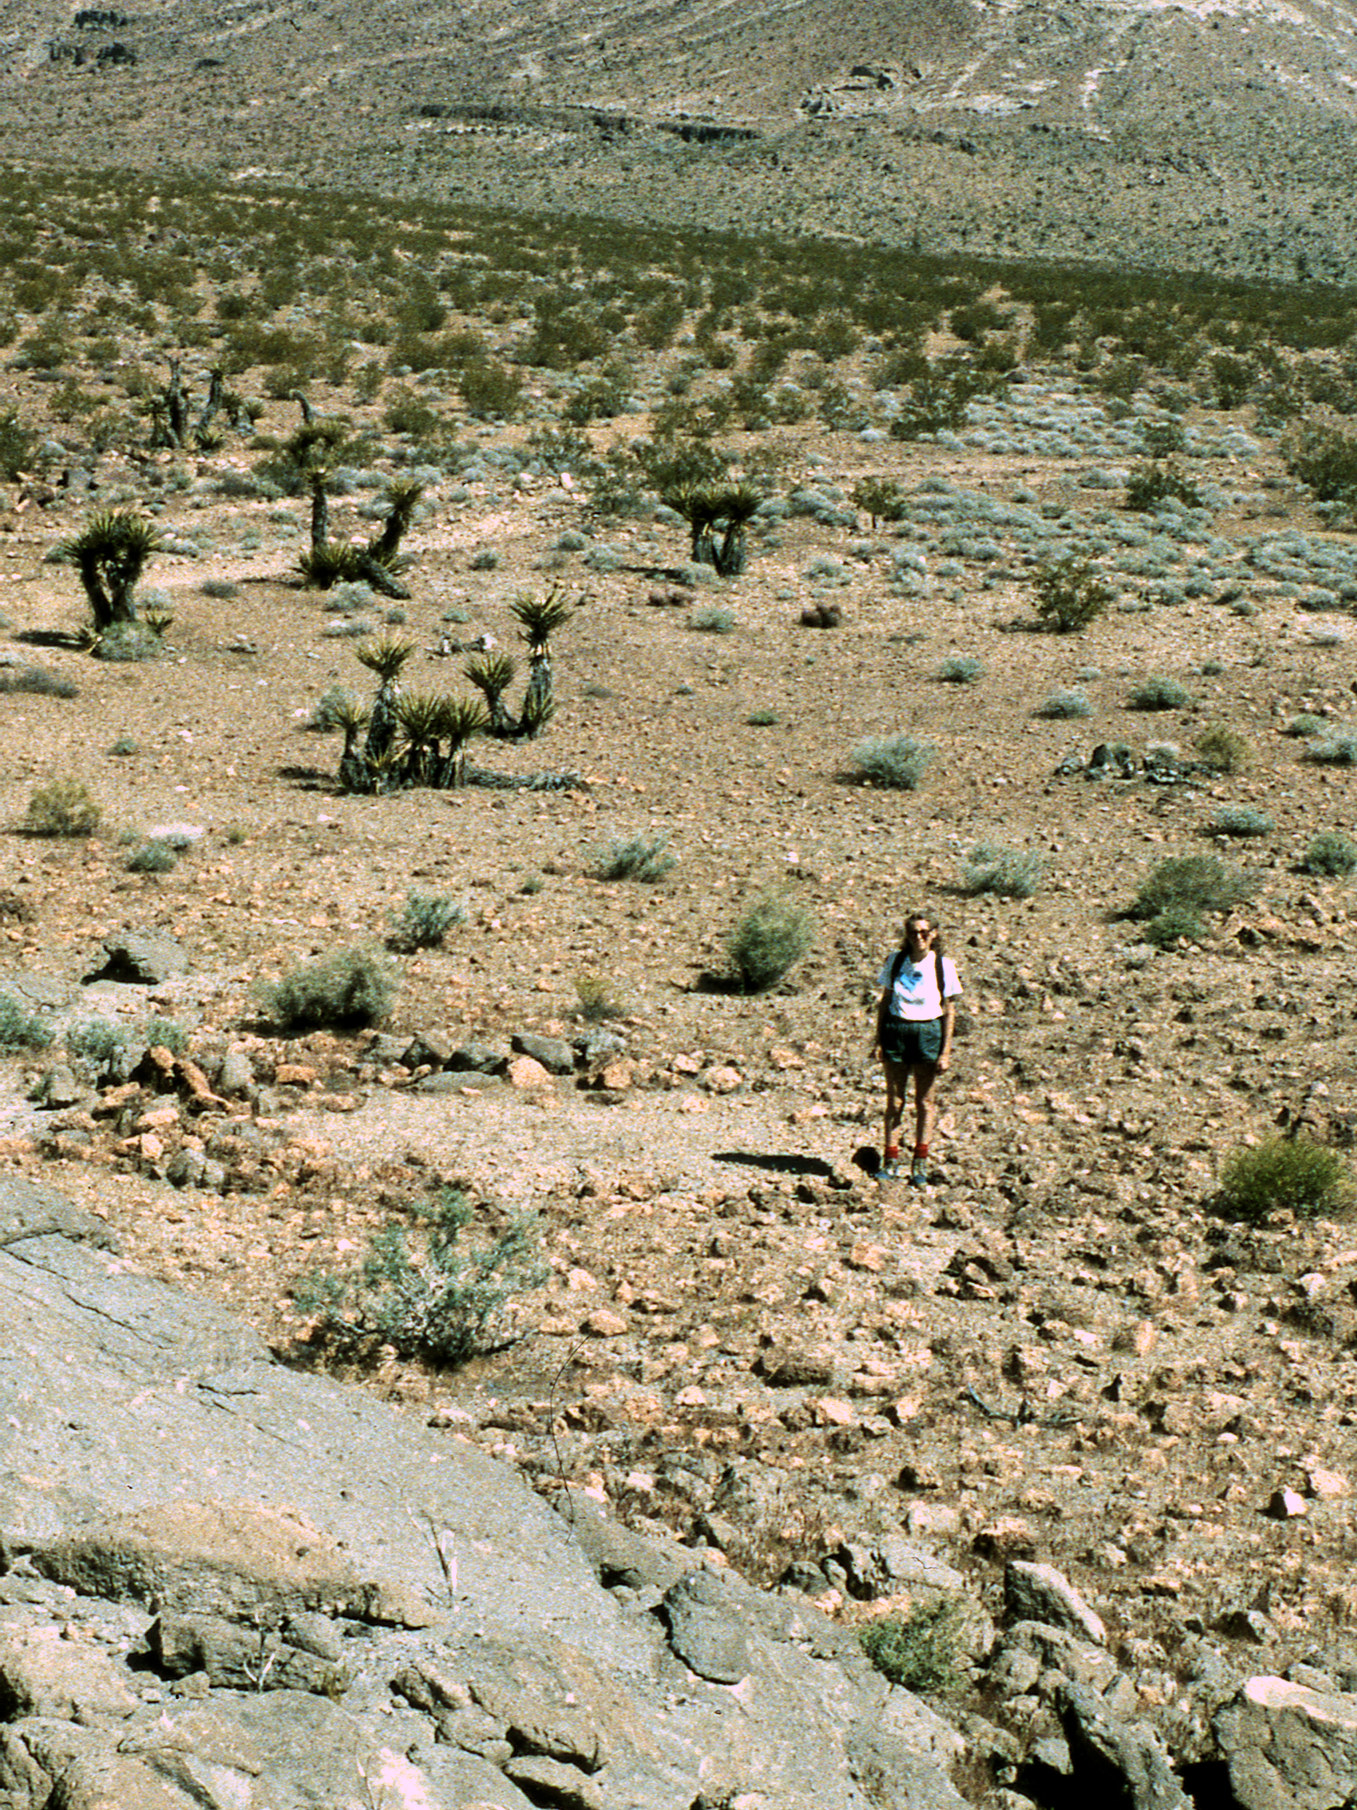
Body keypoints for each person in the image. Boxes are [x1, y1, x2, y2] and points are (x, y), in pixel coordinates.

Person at [872, 912, 962, 1186]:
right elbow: (885, 1001)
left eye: (924, 931)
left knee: (925, 1101)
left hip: (927, 1033)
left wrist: (945, 1051)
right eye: (913, 932)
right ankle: (890, 1161)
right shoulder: (895, 961)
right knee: (895, 1100)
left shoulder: (943, 965)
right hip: (897, 1031)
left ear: (934, 933)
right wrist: (878, 1040)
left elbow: (949, 1010)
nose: (918, 937)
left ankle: (919, 1165)